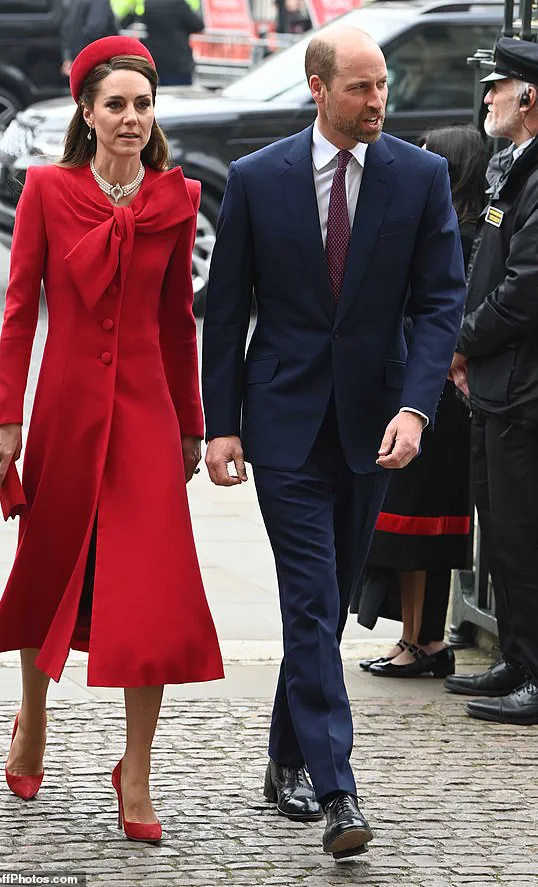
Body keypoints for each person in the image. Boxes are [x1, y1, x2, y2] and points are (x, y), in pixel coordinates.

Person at [202, 25, 465, 860]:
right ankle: (337, 786)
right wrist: (221, 423)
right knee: (313, 600)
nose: (377, 100)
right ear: (318, 89)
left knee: (322, 608)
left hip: (375, 427)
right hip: (281, 425)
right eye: (360, 87)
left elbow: (439, 303)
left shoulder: (418, 177)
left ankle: (285, 754)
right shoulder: (256, 179)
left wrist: (417, 409)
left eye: (382, 84)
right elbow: (227, 310)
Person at [0, 36, 224, 842]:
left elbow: (176, 321)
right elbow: (21, 309)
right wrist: (6, 417)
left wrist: (192, 421)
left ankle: (138, 771)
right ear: (86, 112)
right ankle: (34, 716)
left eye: (142, 105)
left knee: (152, 595)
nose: (130, 117)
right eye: (115, 103)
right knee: (48, 570)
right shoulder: (47, 191)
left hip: (149, 418)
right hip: (64, 412)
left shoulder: (177, 198)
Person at [353, 125, 487, 679]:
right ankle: (417, 637)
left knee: (421, 522)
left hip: (436, 391)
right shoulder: (447, 219)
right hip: (422, 382)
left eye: (432, 157)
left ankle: (424, 641)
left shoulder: (460, 227)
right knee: (407, 522)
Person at [447, 37, 538, 726]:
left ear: (528, 97)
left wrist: (461, 341)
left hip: (523, 386)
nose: (487, 98)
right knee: (500, 527)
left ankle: (534, 670)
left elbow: (524, 290)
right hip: (499, 382)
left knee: (522, 530)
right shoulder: (517, 167)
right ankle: (515, 653)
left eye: (497, 86)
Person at [116, 0, 204, 87]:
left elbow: (127, 21)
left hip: (156, 60)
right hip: (178, 61)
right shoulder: (179, 3)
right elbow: (198, 25)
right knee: (181, 94)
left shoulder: (148, 4)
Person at [60, 0, 119, 76]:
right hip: (96, 59)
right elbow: (95, 28)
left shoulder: (75, 2)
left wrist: (69, 57)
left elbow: (67, 28)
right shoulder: (99, 2)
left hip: (79, 57)